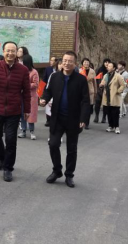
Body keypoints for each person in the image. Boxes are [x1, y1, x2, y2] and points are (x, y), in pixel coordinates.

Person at [0, 42, 31, 183]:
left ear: (17, 53)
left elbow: (27, 91)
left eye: (13, 51)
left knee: (11, 139)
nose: (10, 53)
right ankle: (2, 157)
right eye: (8, 50)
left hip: (14, 110)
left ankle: (8, 168)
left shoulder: (23, 70)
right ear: (3, 52)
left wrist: (27, 110)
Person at [40, 51, 92, 188]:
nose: (67, 63)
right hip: (57, 118)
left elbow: (85, 101)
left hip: (74, 119)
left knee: (71, 149)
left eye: (70, 61)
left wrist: (83, 118)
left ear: (75, 63)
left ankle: (69, 175)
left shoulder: (81, 79)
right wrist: (44, 99)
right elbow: (48, 91)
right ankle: (57, 170)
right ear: (61, 62)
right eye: (64, 60)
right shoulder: (55, 77)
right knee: (53, 144)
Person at [100, 61, 126, 134]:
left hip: (115, 96)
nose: (108, 67)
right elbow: (103, 82)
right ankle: (110, 126)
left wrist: (118, 91)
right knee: (108, 112)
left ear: (114, 68)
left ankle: (117, 127)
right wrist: (101, 85)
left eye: (110, 66)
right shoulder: (106, 75)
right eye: (108, 66)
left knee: (115, 113)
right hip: (107, 96)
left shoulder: (118, 76)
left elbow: (123, 85)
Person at [19, 55, 39, 140]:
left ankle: (32, 131)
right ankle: (23, 131)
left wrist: (25, 86)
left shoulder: (34, 72)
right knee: (22, 113)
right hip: (22, 96)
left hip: (31, 96)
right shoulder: (21, 71)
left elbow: (36, 84)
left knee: (30, 114)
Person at [80, 58, 97, 129]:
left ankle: (87, 123)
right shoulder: (80, 71)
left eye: (87, 62)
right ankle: (81, 121)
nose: (86, 63)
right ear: (82, 63)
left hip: (90, 91)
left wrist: (95, 91)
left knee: (89, 108)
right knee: (81, 107)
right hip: (81, 91)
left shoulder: (92, 71)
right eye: (85, 62)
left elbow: (94, 82)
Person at [43, 57, 59, 127]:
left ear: (56, 62)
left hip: (57, 90)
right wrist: (40, 91)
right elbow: (44, 79)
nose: (51, 62)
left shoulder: (59, 69)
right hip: (49, 89)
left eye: (52, 60)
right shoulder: (48, 69)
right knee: (48, 105)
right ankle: (48, 120)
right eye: (50, 60)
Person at [94, 58, 111, 124]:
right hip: (99, 89)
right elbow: (95, 79)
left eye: (108, 62)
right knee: (97, 102)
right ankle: (96, 116)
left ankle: (104, 117)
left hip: (107, 90)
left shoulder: (110, 71)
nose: (107, 63)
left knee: (105, 104)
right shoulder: (99, 69)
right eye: (105, 62)